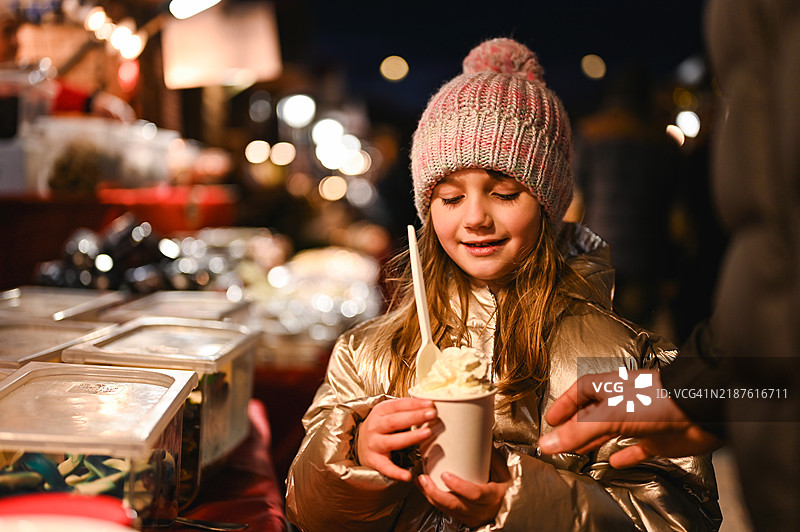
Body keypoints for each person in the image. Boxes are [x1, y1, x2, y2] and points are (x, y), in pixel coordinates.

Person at [285, 37, 720, 531]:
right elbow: (306, 510)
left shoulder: (618, 359)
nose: (475, 218)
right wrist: (356, 459)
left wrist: (523, 501)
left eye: (505, 192)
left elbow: (679, 516)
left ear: (550, 203)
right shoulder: (367, 354)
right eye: (450, 198)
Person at [539, 1, 800, 530]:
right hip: (651, 252)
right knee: (636, 337)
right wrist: (693, 386)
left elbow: (578, 197)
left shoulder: (594, 133)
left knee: (608, 340)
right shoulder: (658, 140)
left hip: (605, 248)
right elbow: (679, 209)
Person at [0, 5, 135, 122]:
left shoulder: (19, 79)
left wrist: (97, 100)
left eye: (16, 33)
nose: (16, 42)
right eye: (7, 31)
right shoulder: (11, 84)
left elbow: (50, 90)